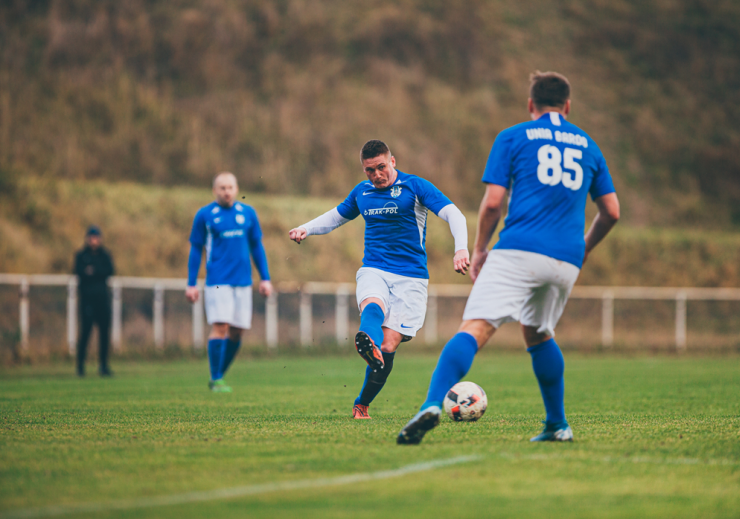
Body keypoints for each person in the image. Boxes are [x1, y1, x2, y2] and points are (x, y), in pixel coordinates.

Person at [397, 71, 621, 444]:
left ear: (530, 104)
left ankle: (433, 402)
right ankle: (556, 425)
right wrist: (582, 248)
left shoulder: (513, 137)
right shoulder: (588, 145)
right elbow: (611, 211)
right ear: (568, 106)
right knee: (539, 333)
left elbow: (493, 204)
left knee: (476, 327)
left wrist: (481, 247)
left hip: (519, 249)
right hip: (566, 260)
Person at [289, 140, 470, 419]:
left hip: (411, 278)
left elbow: (452, 213)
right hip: (374, 268)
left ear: (393, 161)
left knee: (388, 346)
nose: (376, 175)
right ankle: (367, 340)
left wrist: (461, 248)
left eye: (381, 167)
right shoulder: (362, 193)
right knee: (373, 305)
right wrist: (306, 228)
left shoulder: (415, 186)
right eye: (369, 170)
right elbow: (336, 217)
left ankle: (362, 402)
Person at [186, 172, 273, 393]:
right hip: (218, 281)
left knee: (237, 331)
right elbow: (196, 250)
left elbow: (256, 246)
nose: (227, 191)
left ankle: (218, 375)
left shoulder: (248, 213)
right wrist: (191, 283)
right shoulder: (205, 215)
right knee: (221, 327)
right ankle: (216, 378)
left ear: (236, 189)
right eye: (222, 188)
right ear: (215, 190)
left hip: (243, 281)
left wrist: (265, 278)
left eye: (230, 187)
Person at [74, 225, 115, 377]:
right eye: (91, 237)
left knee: (104, 334)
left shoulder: (104, 255)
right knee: (85, 333)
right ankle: (80, 366)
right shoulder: (81, 255)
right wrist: (95, 272)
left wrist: (93, 271)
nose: (94, 240)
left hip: (102, 300)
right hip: (87, 301)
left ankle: (103, 366)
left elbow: (109, 271)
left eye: (96, 237)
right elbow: (79, 272)